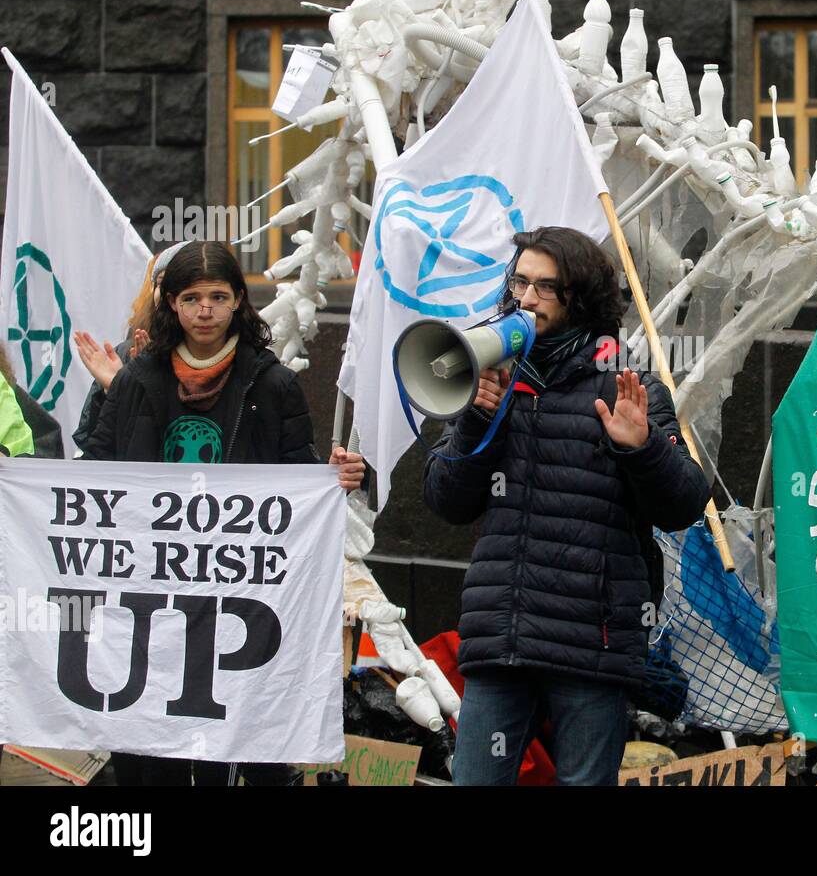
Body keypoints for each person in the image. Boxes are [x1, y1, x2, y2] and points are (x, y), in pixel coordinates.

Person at [424, 226, 711, 786]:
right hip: (502, 637)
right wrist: (475, 421)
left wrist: (642, 449)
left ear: (580, 299)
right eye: (519, 284)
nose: (525, 300)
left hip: (592, 644)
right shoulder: (493, 381)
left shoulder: (629, 388)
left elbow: (684, 504)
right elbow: (445, 501)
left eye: (545, 288)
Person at [81, 240, 365, 785]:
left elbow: (297, 483)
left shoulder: (273, 384)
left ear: (239, 301)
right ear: (170, 305)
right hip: (149, 598)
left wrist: (339, 479)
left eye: (217, 296)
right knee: (147, 753)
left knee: (237, 744)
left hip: (239, 607)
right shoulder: (136, 382)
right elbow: (96, 470)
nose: (204, 310)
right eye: (191, 297)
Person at [72, 240, 184, 451]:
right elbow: (92, 444)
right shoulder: (125, 354)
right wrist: (116, 390)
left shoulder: (241, 359)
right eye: (161, 283)